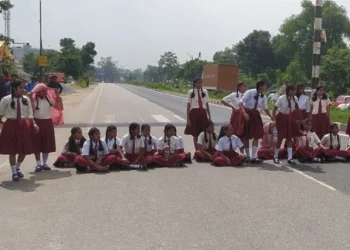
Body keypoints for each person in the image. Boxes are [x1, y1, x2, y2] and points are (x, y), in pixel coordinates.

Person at [0, 79, 39, 181]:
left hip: (22, 125)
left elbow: (30, 113)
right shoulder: (6, 99)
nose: (23, 90)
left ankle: (17, 167)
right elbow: (0, 113)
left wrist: (34, 124)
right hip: (10, 125)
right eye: (21, 87)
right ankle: (14, 173)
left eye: (23, 87)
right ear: (14, 88)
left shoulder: (26, 99)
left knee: (24, 149)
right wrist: (1, 125)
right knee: (11, 150)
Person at [239, 80, 274, 163]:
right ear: (260, 86)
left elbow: (265, 108)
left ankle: (253, 157)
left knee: (257, 135)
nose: (265, 87)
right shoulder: (249, 92)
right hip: (247, 112)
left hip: (255, 114)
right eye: (264, 86)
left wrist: (271, 116)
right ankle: (247, 155)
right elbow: (240, 103)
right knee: (246, 135)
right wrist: (244, 113)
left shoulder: (263, 96)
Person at [29, 83, 61, 172]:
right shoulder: (33, 100)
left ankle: (44, 163)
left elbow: (58, 106)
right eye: (42, 91)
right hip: (36, 122)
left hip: (47, 122)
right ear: (38, 92)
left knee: (46, 143)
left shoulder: (49, 100)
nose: (44, 92)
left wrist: (57, 95)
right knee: (37, 143)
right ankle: (38, 164)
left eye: (45, 91)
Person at [272, 84, 300, 165]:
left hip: (289, 117)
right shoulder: (281, 98)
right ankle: (275, 156)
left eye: (294, 90)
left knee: (289, 137)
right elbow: (274, 109)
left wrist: (298, 118)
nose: (293, 92)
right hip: (281, 117)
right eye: (292, 90)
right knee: (280, 138)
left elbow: (297, 109)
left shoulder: (295, 99)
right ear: (288, 91)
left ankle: (290, 158)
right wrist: (274, 119)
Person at [184, 77, 211, 150]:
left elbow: (207, 105)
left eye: (201, 82)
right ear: (194, 83)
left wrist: (209, 116)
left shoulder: (205, 92)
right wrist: (188, 119)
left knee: (203, 133)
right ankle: (197, 150)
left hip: (203, 113)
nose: (200, 84)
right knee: (195, 133)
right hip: (194, 114)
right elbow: (188, 106)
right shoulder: (190, 92)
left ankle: (203, 149)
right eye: (198, 82)